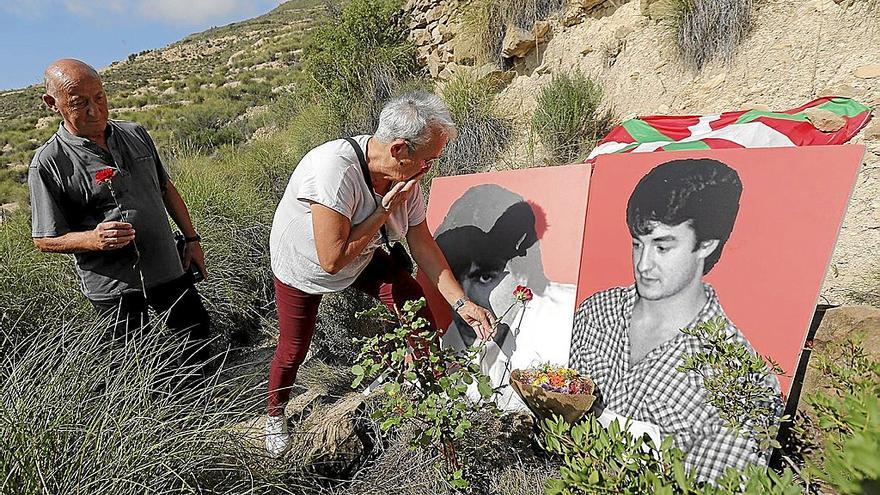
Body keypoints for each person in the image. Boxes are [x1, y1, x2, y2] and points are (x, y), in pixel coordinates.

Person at [267, 91, 496, 456]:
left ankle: (431, 388)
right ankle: (274, 415)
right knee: (294, 348)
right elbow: (332, 259)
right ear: (399, 150)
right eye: (427, 159)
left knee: (410, 298)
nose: (429, 167)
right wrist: (382, 212)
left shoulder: (406, 178)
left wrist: (461, 302)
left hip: (362, 253)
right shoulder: (334, 170)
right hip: (306, 266)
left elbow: (423, 245)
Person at [569, 158, 783, 482]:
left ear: (706, 245)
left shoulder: (740, 380)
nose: (643, 264)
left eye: (662, 247)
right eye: (637, 244)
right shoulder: (597, 311)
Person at [28, 59, 210, 365]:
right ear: (52, 103)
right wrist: (92, 239)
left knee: (196, 339)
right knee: (135, 363)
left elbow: (166, 189)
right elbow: (44, 239)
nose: (94, 111)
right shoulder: (48, 163)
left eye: (99, 98)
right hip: (115, 288)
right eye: (79, 103)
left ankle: (206, 403)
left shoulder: (136, 133)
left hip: (168, 267)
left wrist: (192, 240)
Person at [434, 184, 577, 411]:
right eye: (455, 280)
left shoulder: (571, 316)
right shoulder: (447, 341)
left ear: (522, 272)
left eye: (483, 278)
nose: (465, 301)